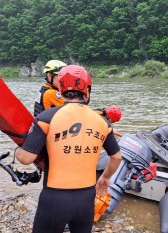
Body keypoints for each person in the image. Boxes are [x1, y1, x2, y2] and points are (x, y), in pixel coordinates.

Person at [15, 65, 122, 233]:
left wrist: (17, 151)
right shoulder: (103, 123)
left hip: (54, 199)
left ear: (62, 89)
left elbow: (26, 158)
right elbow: (116, 157)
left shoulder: (46, 118)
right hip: (86, 198)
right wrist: (105, 178)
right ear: (87, 91)